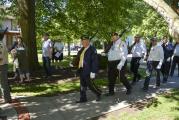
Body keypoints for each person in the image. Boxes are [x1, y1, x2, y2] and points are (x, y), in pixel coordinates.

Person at [71, 35, 101, 103]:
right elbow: (78, 57)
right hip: (81, 69)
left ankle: (98, 93)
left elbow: (94, 61)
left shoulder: (92, 49)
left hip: (88, 70)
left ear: (88, 41)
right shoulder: (82, 49)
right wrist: (73, 63)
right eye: (82, 41)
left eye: (85, 41)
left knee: (90, 85)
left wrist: (93, 72)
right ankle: (83, 98)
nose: (83, 43)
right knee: (82, 85)